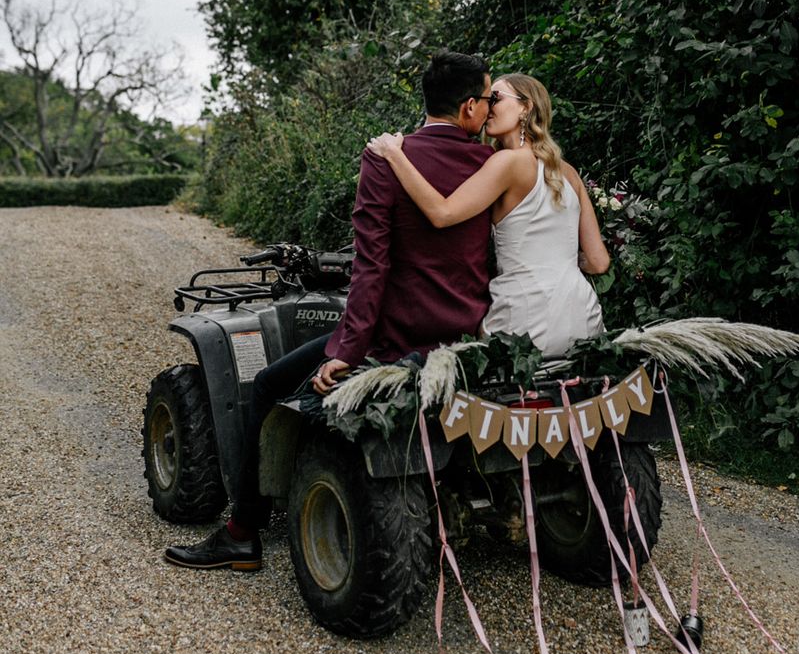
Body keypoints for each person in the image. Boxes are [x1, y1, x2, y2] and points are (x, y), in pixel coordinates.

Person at [164, 51, 496, 571]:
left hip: (400, 337)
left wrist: (346, 350)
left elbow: (372, 268)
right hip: (469, 336)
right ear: (470, 107)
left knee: (271, 385)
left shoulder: (389, 158)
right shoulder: (493, 164)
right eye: (488, 97)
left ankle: (242, 532)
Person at [367, 73, 610, 358]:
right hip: (583, 314)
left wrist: (395, 155)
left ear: (525, 107)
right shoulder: (569, 172)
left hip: (525, 320)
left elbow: (442, 213)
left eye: (497, 98)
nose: (488, 106)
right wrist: (559, 264)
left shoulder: (507, 162)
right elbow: (598, 261)